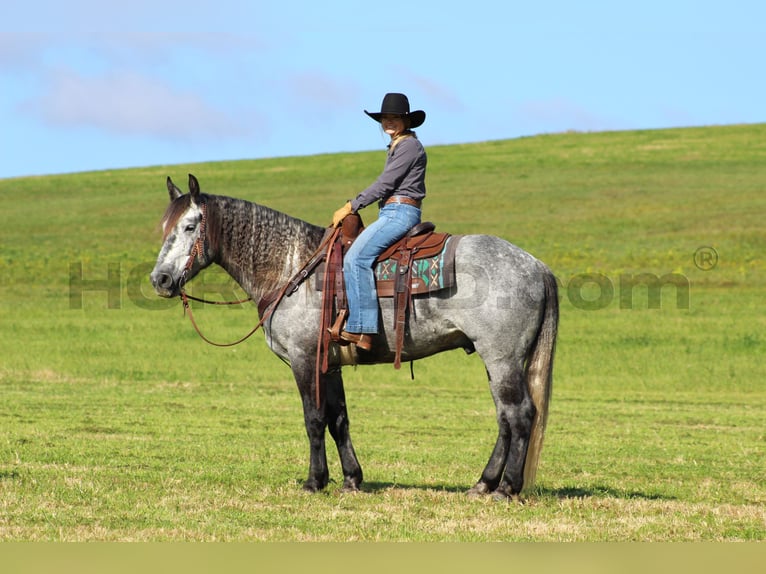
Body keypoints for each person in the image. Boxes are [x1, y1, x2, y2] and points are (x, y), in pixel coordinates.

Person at [331, 93, 427, 351]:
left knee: (355, 259)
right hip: (390, 212)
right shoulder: (398, 145)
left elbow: (386, 184)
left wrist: (352, 205)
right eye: (385, 117)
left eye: (395, 117)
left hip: (399, 213)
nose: (389, 122)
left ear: (406, 121)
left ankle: (363, 329)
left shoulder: (408, 146)